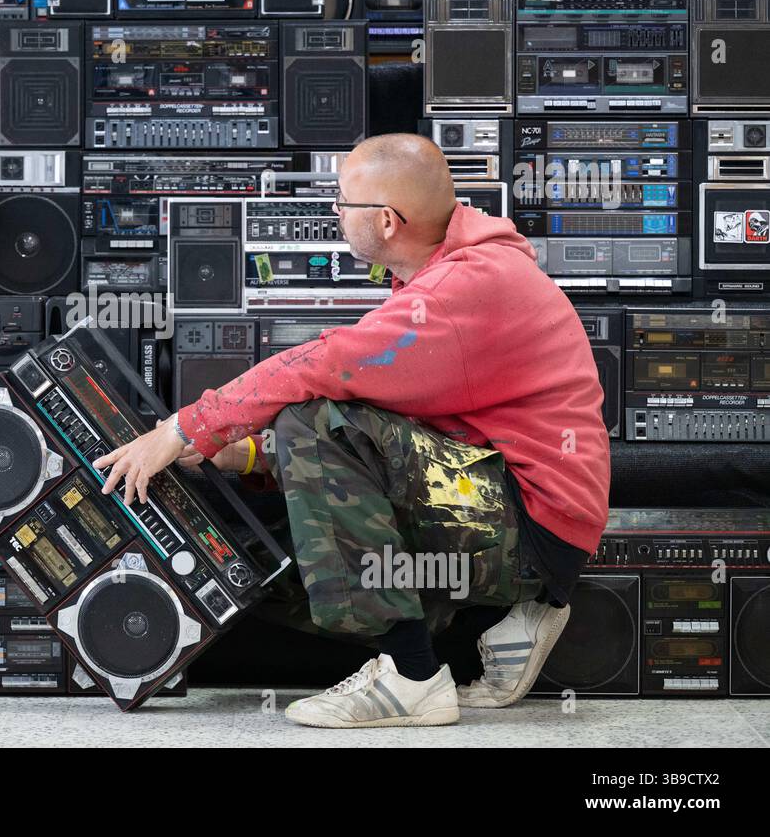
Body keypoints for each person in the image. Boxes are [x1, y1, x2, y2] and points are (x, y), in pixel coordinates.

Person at [93, 133, 610, 729]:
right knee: (273, 552)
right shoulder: (451, 272)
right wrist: (248, 455)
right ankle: (529, 605)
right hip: (519, 514)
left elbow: (324, 367)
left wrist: (183, 429)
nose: (334, 213)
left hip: (530, 529)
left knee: (314, 421)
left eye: (341, 201)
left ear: (387, 221)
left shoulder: (462, 288)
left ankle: (412, 676)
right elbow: (399, 423)